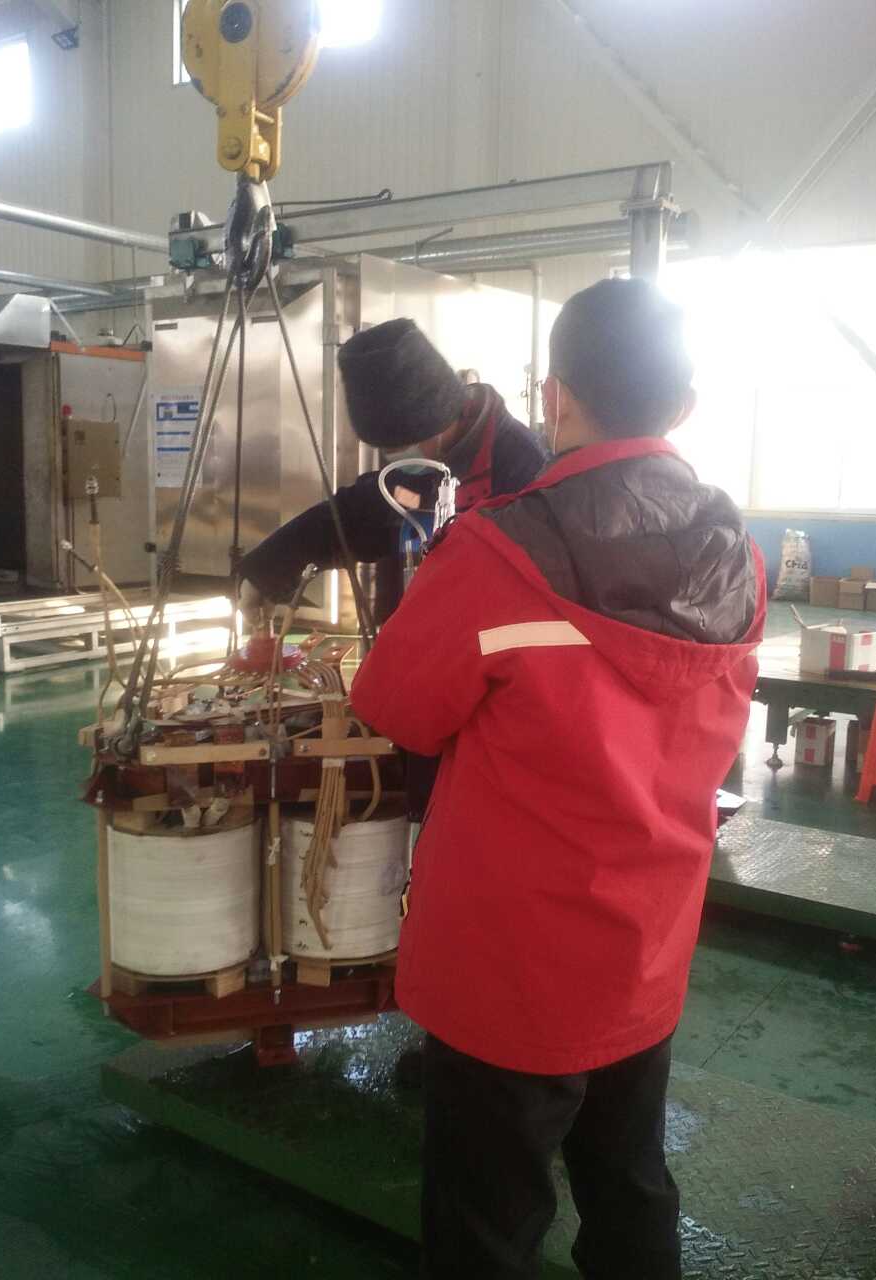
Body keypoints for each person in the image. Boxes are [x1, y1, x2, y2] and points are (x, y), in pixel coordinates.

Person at [351, 278, 765, 1280]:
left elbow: (395, 704)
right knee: (629, 1189)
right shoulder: (740, 560)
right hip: (644, 949)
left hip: (509, 967)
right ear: (685, 406)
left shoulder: (499, 553)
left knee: (485, 1229)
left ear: (555, 396)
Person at [237, 318, 547, 629]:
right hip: (414, 640)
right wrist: (267, 572)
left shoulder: (523, 471)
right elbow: (358, 514)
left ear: (432, 422)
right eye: (387, 450)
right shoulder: (421, 471)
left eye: (400, 446)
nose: (396, 458)